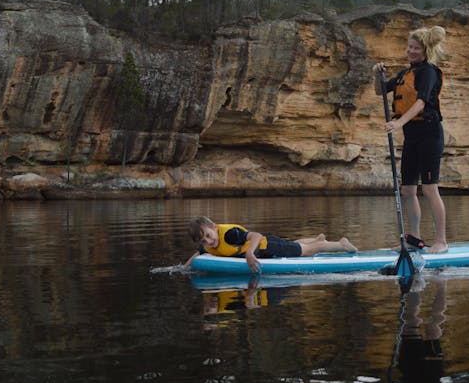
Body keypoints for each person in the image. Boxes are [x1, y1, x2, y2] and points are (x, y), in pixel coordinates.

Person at [373, 25, 448, 253]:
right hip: (412, 137)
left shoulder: (428, 72)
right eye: (409, 47)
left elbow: (421, 102)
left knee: (429, 188)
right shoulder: (406, 74)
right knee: (407, 190)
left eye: (416, 48)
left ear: (425, 51)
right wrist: (376, 73)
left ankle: (441, 241)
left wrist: (398, 123)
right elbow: (380, 91)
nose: (411, 51)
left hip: (429, 133)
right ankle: (414, 240)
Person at [183, 215, 358, 273]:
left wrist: (250, 254)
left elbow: (256, 236)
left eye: (208, 235)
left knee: (308, 252)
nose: (208, 241)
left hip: (267, 247)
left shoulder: (229, 235)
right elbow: (198, 253)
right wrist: (185, 267)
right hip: (268, 249)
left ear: (214, 227)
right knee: (293, 245)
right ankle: (316, 239)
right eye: (204, 240)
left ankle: (340, 244)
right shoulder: (207, 245)